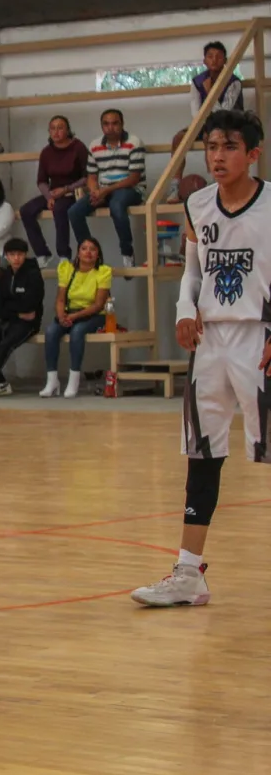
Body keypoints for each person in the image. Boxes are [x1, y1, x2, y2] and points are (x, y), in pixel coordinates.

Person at [133, 110, 269, 607]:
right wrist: (184, 309)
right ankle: (189, 574)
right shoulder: (196, 204)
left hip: (261, 336)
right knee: (202, 454)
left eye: (230, 146)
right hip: (211, 343)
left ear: (253, 153)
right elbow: (192, 272)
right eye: (211, 146)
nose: (218, 155)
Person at [71, 108, 146, 268]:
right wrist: (95, 192)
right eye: (106, 124)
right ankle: (88, 254)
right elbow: (91, 177)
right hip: (104, 191)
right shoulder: (95, 145)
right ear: (101, 126)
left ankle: (127, 253)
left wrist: (105, 191)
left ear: (122, 124)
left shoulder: (134, 142)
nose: (110, 127)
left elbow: (133, 179)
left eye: (114, 123)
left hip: (131, 190)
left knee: (116, 206)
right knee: (74, 211)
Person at [38, 238, 112, 398]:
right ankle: (52, 381)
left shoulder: (103, 271)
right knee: (51, 331)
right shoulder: (68, 269)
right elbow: (60, 298)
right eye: (84, 248)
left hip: (94, 315)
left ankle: (74, 380)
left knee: (77, 332)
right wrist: (61, 315)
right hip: (69, 313)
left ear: (98, 253)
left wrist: (74, 316)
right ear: (78, 252)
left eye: (92, 249)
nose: (88, 252)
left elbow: (98, 305)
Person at [20, 115, 89, 268]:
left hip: (74, 192)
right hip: (53, 193)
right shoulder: (46, 152)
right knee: (26, 210)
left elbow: (87, 177)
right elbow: (42, 180)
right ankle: (42, 253)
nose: (56, 132)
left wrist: (66, 189)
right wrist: (49, 196)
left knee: (60, 209)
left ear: (68, 130)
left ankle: (64, 254)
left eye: (60, 128)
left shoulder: (78, 147)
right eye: (52, 128)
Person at [0, 238, 44, 396]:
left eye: (19, 254)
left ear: (25, 255)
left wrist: (9, 307)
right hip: (8, 320)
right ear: (6, 256)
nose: (16, 258)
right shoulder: (4, 276)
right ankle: (0, 382)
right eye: (12, 255)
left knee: (5, 345)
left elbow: (30, 305)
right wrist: (17, 312)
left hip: (27, 324)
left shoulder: (33, 275)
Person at [172, 40, 246, 152]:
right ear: (204, 61)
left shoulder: (233, 82)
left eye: (219, 57)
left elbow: (223, 114)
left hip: (230, 124)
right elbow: (195, 113)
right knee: (178, 139)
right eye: (210, 56)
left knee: (210, 137)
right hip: (205, 124)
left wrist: (210, 92)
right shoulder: (198, 82)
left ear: (225, 61)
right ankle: (175, 170)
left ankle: (212, 169)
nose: (214, 60)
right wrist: (205, 125)